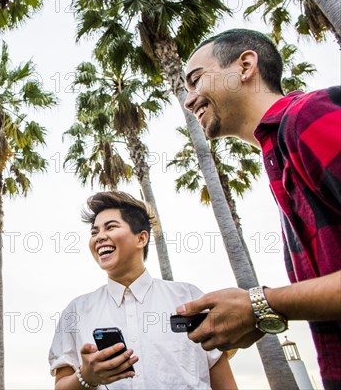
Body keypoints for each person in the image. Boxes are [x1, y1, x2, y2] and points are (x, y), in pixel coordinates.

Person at [180, 28, 341, 388]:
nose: (189, 101)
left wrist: (260, 304)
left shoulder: (307, 118)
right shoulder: (280, 157)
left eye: (195, 81)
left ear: (246, 65)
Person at [48, 191, 237, 389]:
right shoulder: (77, 311)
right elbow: (61, 384)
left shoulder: (188, 298)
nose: (100, 237)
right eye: (94, 232)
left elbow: (223, 381)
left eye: (110, 227)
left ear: (141, 238)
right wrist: (86, 377)